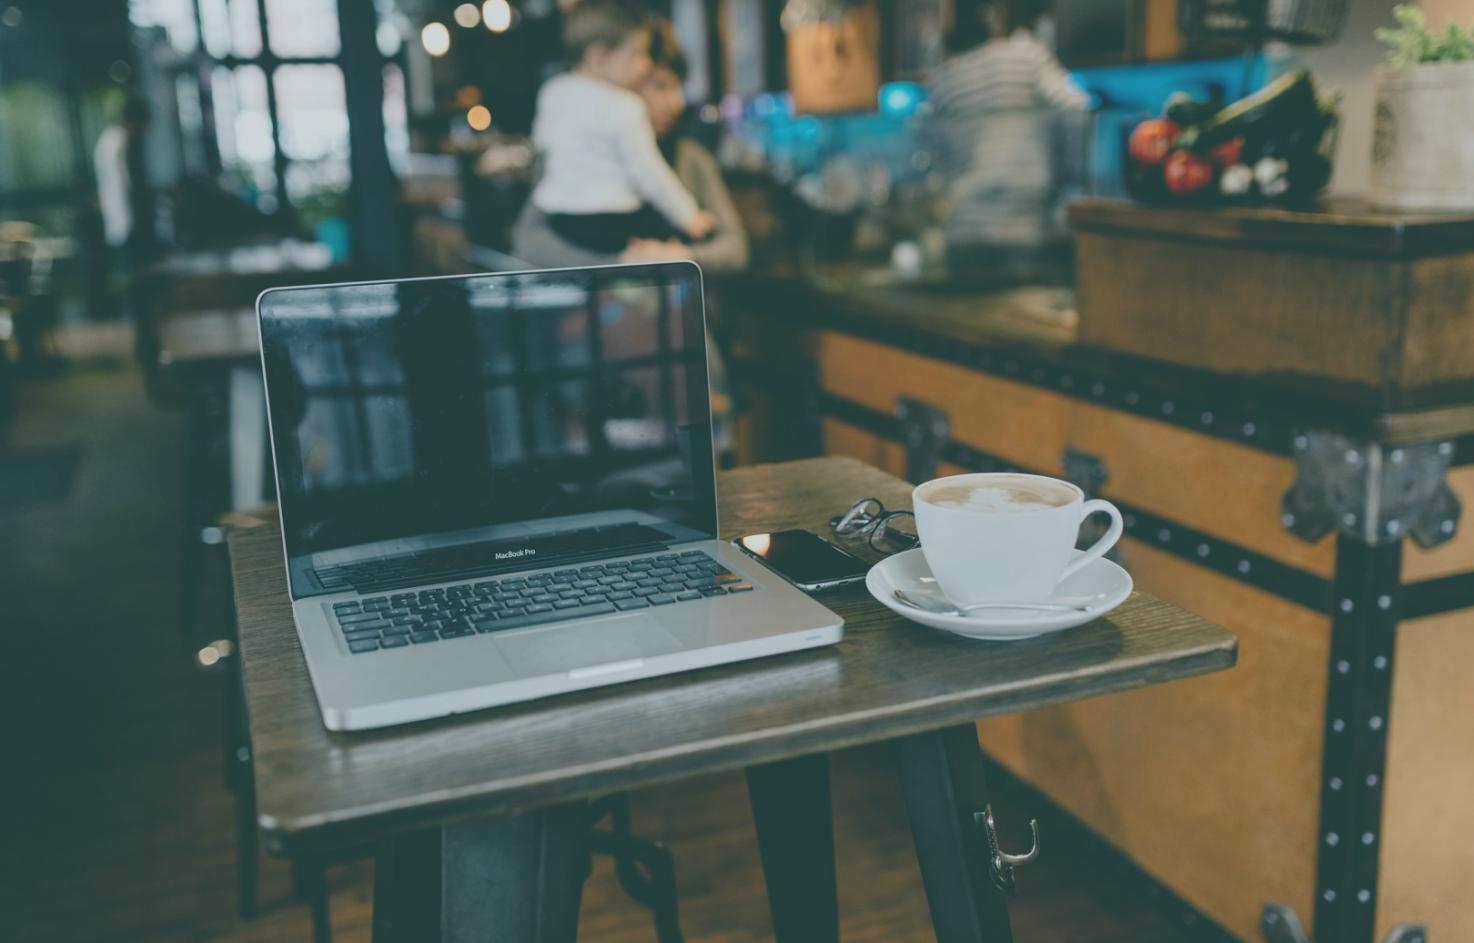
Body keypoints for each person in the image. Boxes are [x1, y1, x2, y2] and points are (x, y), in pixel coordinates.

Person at [514, 20, 749, 273]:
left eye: (679, 87)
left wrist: (682, 255)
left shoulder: (691, 158)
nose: (677, 102)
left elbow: (735, 250)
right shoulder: (576, 155)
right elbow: (528, 240)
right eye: (660, 86)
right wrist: (617, 267)